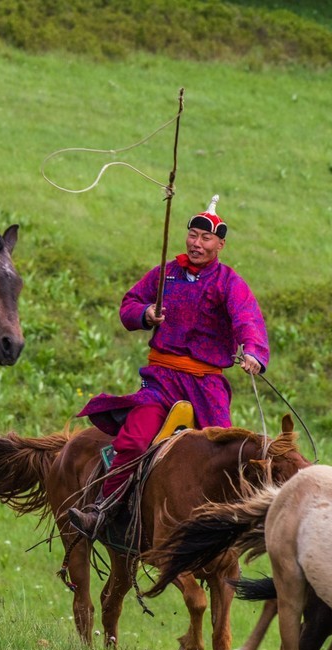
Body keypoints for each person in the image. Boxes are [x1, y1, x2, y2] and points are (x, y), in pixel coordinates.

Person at [67, 196, 269, 539]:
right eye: (192, 235)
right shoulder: (165, 275)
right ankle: (101, 510)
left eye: (206, 239)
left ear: (220, 244)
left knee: (226, 457)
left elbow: (246, 318)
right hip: (161, 381)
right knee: (132, 440)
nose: (196, 243)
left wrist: (253, 351)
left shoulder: (229, 283)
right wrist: (146, 314)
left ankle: (230, 531)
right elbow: (129, 304)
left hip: (206, 386)